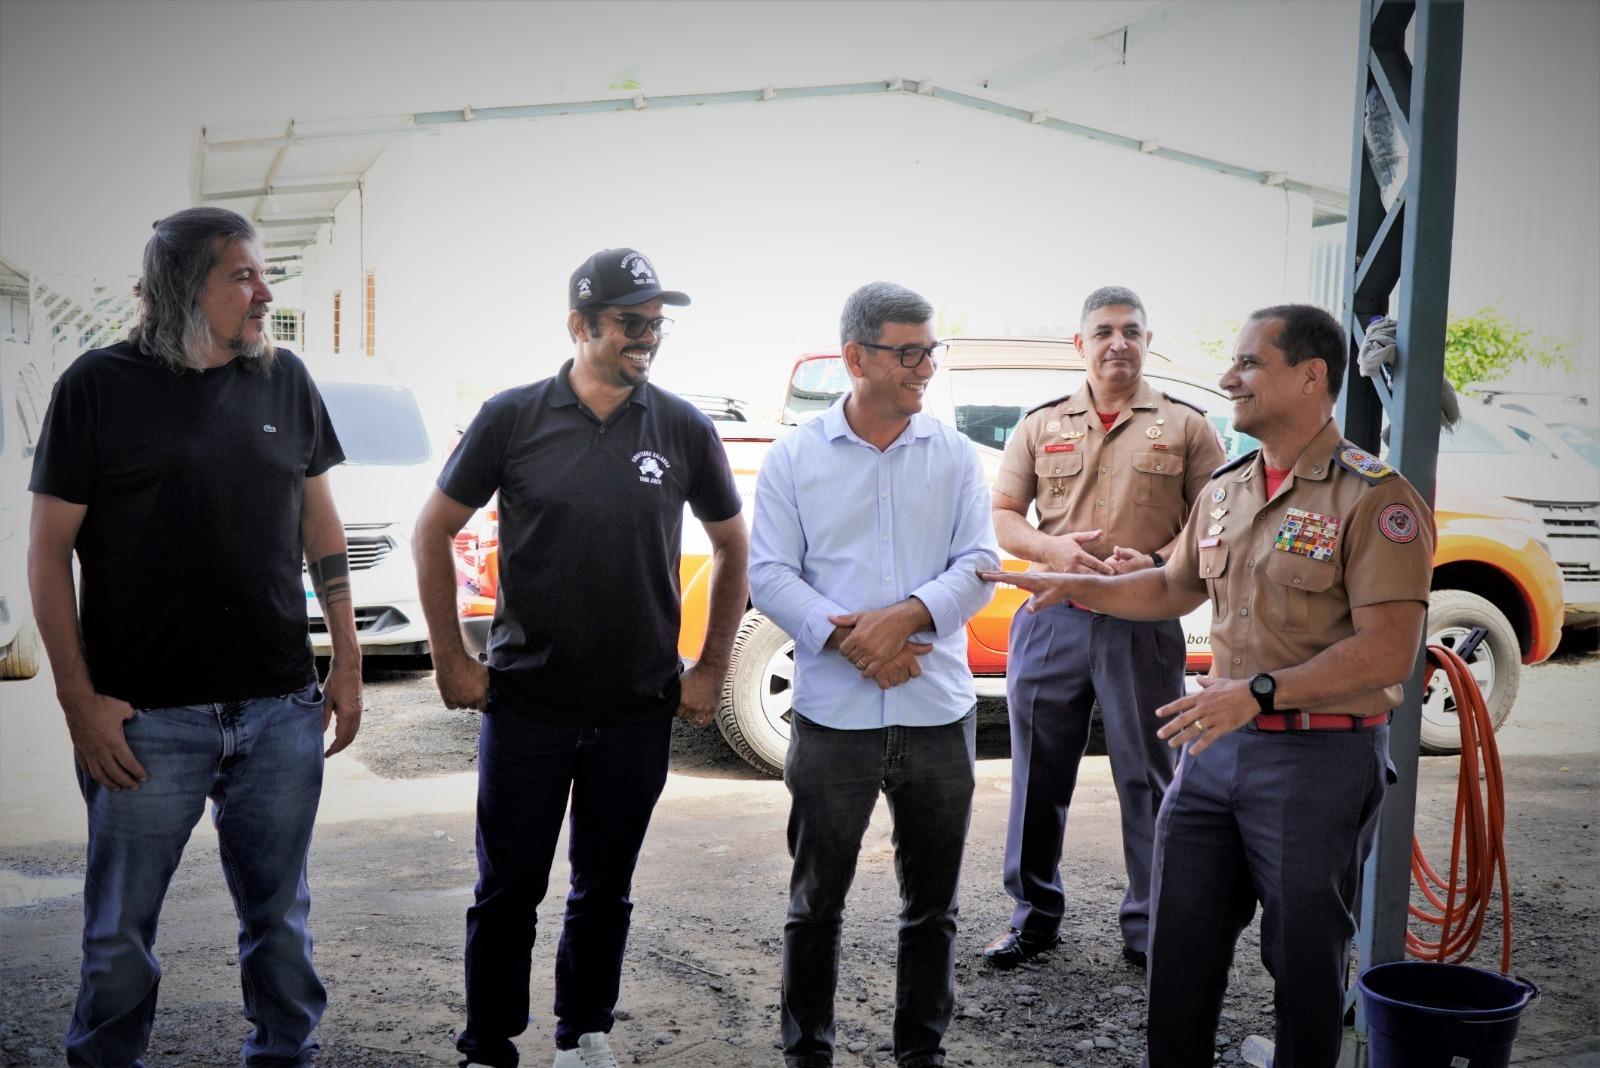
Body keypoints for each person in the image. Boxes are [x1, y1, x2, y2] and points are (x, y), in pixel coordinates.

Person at [984, 304, 1434, 1068]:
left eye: (1249, 364)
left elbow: (1388, 653)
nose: (1229, 378)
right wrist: (1078, 587)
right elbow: (1168, 589)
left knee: (1302, 968)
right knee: (1179, 953)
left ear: (1310, 377)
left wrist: (1255, 694)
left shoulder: (1374, 499)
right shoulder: (1228, 488)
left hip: (1314, 763)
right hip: (1214, 754)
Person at [27, 206, 362, 1067]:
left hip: (280, 708)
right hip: (145, 723)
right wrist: (79, 704)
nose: (265, 292)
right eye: (243, 275)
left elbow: (321, 523)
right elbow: (47, 554)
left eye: (264, 274)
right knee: (117, 939)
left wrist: (347, 656)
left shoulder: (284, 379)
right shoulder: (95, 387)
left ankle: (284, 1055)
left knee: (280, 924)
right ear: (187, 287)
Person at [411, 248, 748, 1068]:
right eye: (632, 323)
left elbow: (734, 547)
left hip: (636, 709)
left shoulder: (680, 426)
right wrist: (453, 657)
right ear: (580, 326)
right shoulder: (514, 417)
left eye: (656, 323)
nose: (649, 338)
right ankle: (488, 1044)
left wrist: (707, 670)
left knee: (604, 891)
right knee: (508, 891)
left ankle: (584, 1036)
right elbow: (433, 532)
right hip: (527, 705)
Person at [750, 281, 999, 1068]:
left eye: (932, 350)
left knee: (933, 909)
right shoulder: (795, 457)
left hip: (936, 713)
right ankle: (807, 1054)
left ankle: (919, 1053)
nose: (926, 367)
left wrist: (909, 615)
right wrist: (854, 639)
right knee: (815, 904)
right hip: (834, 717)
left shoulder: (954, 455)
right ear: (856, 357)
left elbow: (981, 565)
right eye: (909, 352)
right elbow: (771, 576)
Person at [983, 286, 1225, 971]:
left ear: (1148, 340)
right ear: (1080, 343)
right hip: (1053, 618)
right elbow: (1003, 515)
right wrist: (1051, 550)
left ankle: (1152, 925)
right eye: (1103, 331)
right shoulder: (1040, 423)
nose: (1117, 342)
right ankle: (1031, 917)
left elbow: (1216, 523)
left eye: (1131, 330)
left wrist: (1152, 561)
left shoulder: (1186, 426)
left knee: (1150, 776)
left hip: (1142, 620)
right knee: (1037, 776)